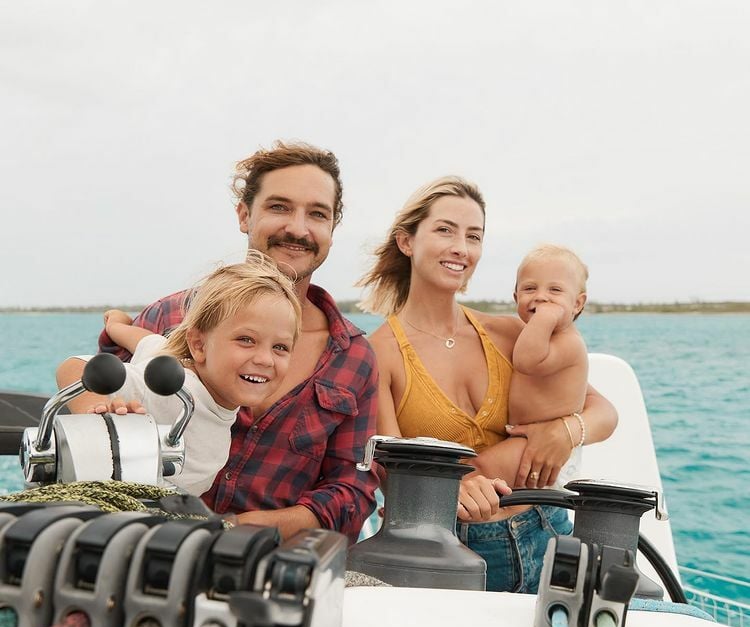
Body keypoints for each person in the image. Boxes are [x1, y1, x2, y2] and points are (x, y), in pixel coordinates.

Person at [57, 141, 379, 543]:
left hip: (269, 569)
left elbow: (352, 491)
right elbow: (95, 405)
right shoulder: (169, 318)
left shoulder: (354, 357)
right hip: (147, 552)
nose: (298, 228)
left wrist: (242, 530)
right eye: (279, 207)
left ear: (332, 228)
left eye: (317, 214)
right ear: (244, 215)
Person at [357, 176, 618, 592]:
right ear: (407, 241)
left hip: (547, 530)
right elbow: (392, 475)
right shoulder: (378, 354)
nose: (461, 247)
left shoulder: (511, 334)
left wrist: (567, 431)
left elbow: (603, 412)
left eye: (473, 235)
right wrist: (457, 486)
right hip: (451, 551)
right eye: (445, 229)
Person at [56, 257, 301, 498]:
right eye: (246, 340)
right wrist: (99, 418)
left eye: (280, 347)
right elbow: (72, 367)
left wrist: (116, 325)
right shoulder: (171, 393)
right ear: (199, 345)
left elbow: (147, 342)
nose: (265, 360)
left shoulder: (167, 355)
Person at [494, 244, 591, 488]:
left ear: (577, 304)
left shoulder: (570, 342)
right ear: (516, 297)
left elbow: (526, 361)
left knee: (480, 469)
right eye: (529, 288)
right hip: (530, 438)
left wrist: (546, 315)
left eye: (555, 290)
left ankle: (423, 505)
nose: (540, 296)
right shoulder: (536, 336)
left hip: (543, 445)